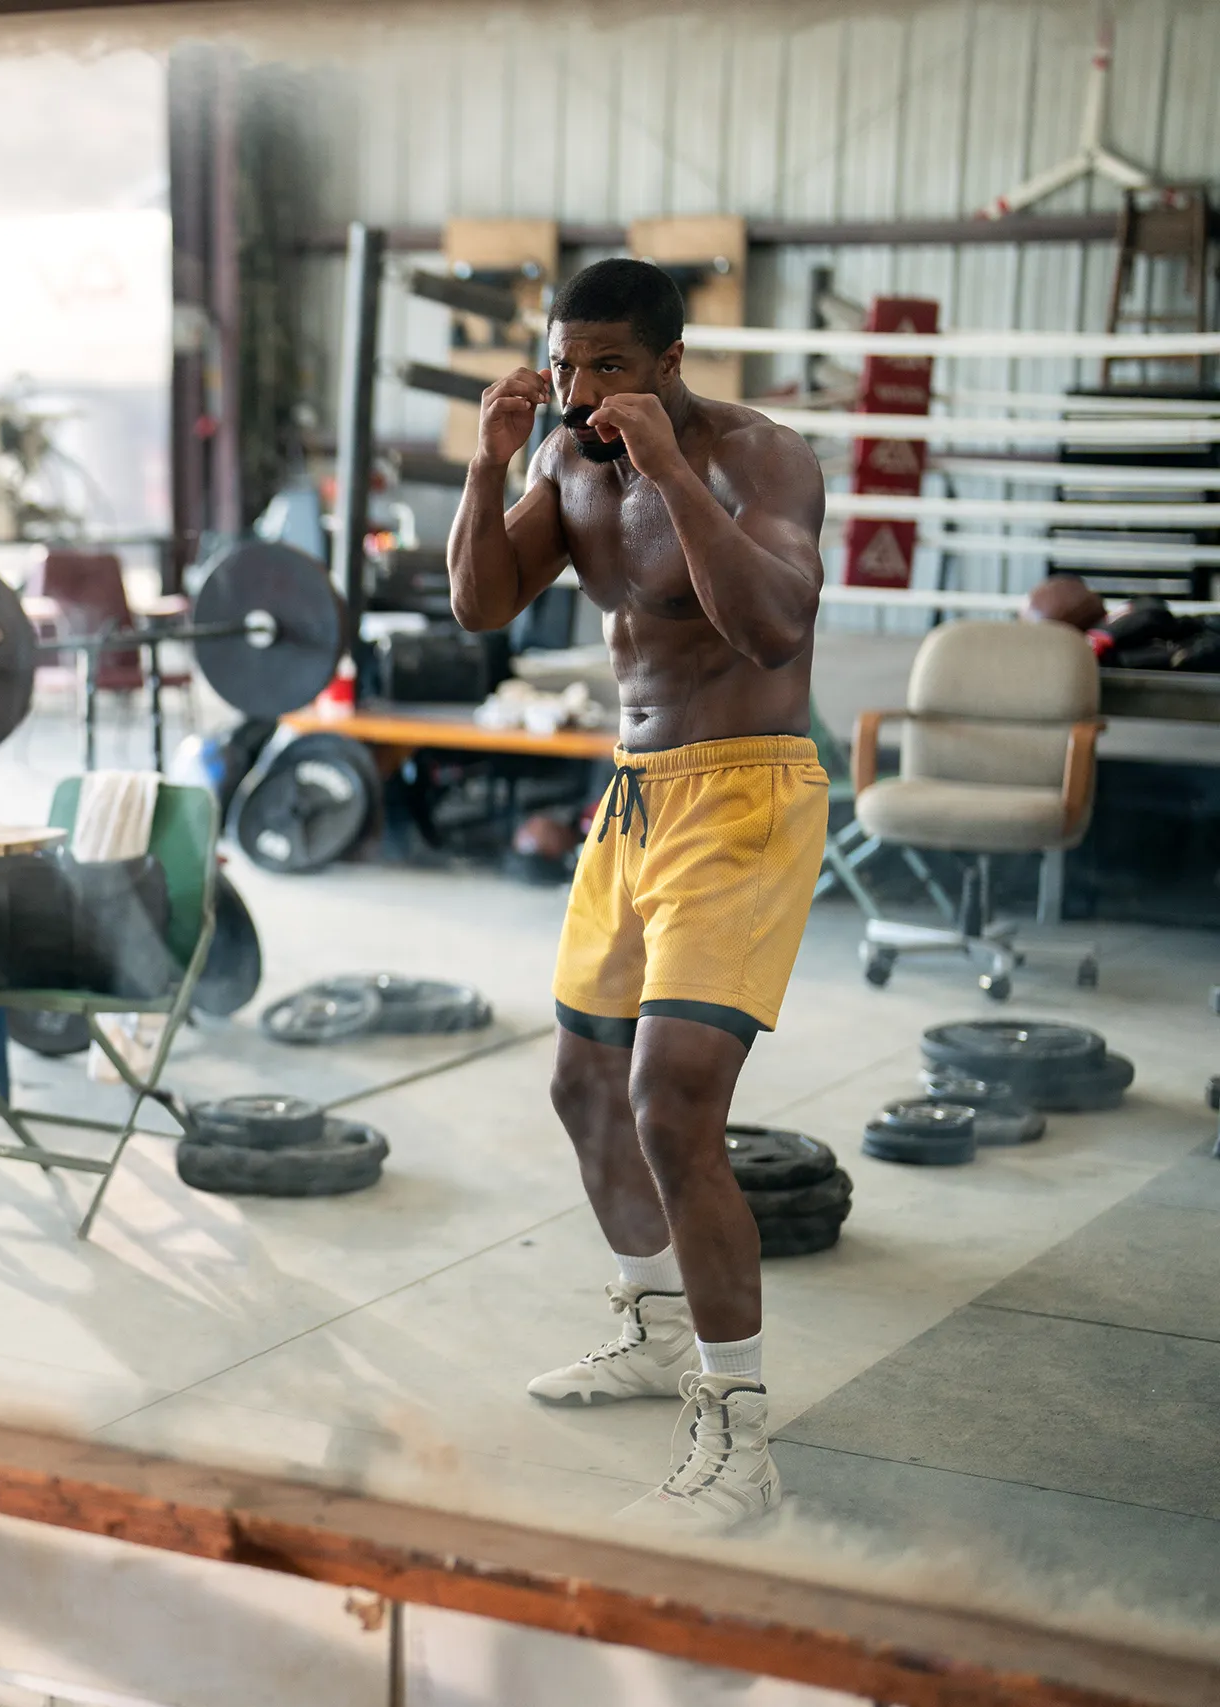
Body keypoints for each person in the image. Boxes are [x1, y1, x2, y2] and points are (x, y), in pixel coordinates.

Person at [443, 257, 827, 1532]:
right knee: (580, 1085)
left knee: (671, 1109)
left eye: (607, 365)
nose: (579, 390)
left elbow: (770, 626)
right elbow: (478, 606)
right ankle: (657, 1330)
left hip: (745, 793)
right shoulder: (562, 463)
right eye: (564, 364)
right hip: (632, 791)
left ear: (668, 361)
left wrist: (668, 467)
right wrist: (489, 462)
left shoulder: (760, 459)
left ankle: (741, 1435)